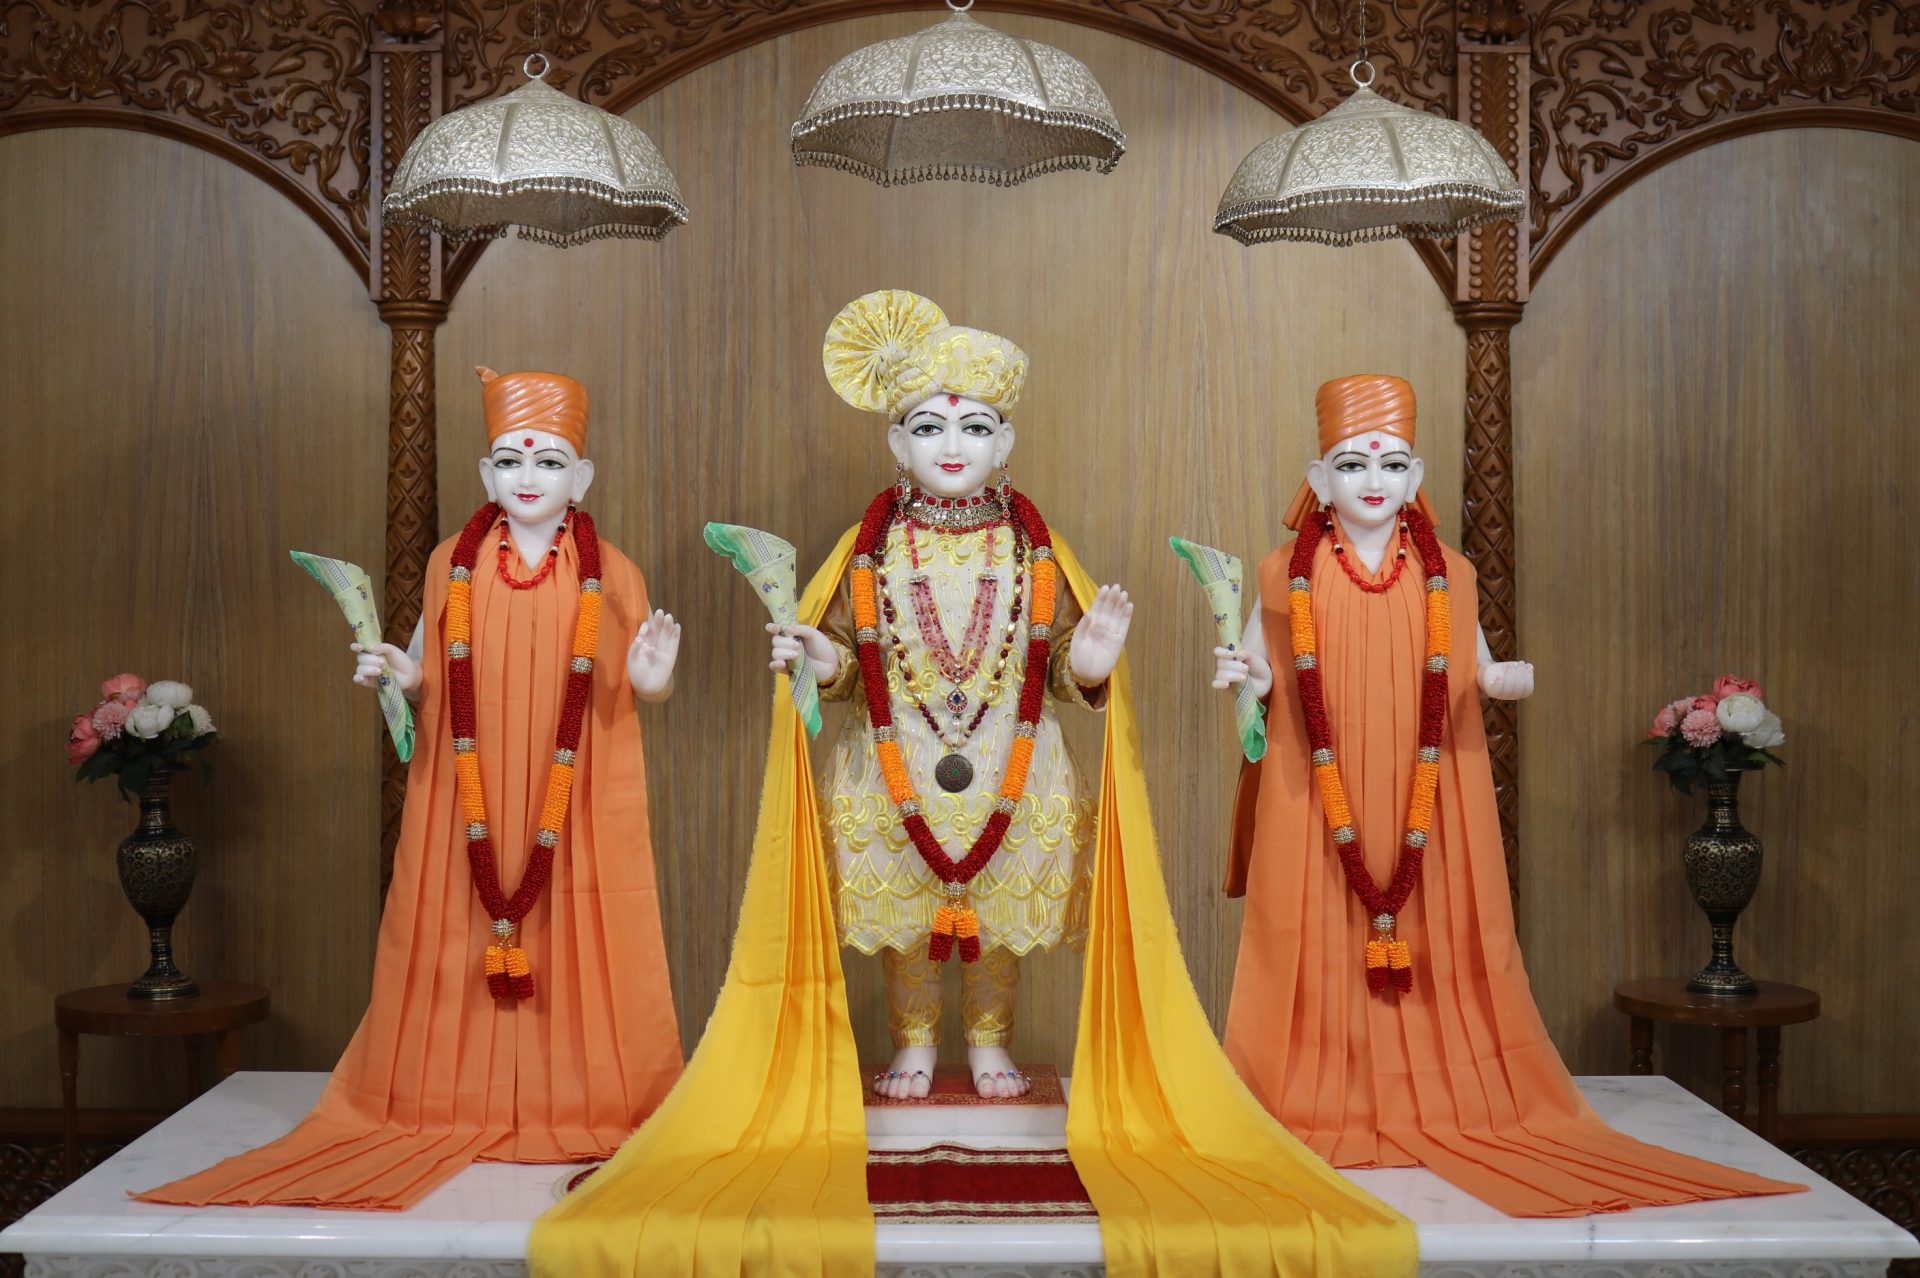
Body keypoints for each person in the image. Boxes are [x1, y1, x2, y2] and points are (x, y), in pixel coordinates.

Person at [531, 295, 1417, 1278]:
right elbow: (840, 663)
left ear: (1007, 441)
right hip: (893, 759)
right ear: (894, 443)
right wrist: (821, 657)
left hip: (1011, 759)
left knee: (998, 905)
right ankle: (914, 1039)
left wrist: (1091, 659)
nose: (952, 446)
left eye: (975, 427)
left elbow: (1066, 671)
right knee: (906, 907)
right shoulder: (867, 545)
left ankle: (990, 1039)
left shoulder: (1034, 546)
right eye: (928, 427)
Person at [1214, 373, 1802, 1216]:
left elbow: (1477, 661)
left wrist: (1499, 679)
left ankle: (1439, 1089)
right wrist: (1247, 673)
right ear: (1318, 479)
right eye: (1352, 464)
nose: (1373, 480)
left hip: (1425, 785)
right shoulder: (1284, 572)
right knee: (1313, 925)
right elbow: (1268, 673)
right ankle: (1311, 1094)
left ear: (1417, 477)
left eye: (1392, 464)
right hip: (1319, 783)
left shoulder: (1448, 570)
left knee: (1440, 923)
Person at [140, 367, 684, 1209]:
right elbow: (434, 670)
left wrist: (652, 677)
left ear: (581, 477)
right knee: (454, 920)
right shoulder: (449, 566)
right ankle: (447, 1096)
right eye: (510, 461)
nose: (528, 477)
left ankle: (584, 1098)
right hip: (472, 788)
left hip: (570, 792)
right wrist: (401, 672)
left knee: (577, 925)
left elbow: (635, 686)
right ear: (485, 474)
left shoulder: (612, 571)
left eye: (548, 461)